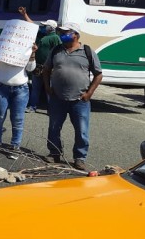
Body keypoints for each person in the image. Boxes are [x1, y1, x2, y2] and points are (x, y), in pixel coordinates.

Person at [43, 21, 103, 171]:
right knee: (54, 127)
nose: (63, 35)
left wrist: (89, 93)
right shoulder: (57, 50)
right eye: (62, 33)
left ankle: (80, 158)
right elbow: (46, 69)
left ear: (76, 34)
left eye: (66, 33)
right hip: (58, 98)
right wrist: (47, 87)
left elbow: (98, 74)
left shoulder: (88, 51)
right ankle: (54, 153)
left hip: (80, 100)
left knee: (82, 130)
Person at [0, 43, 37, 159]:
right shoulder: (1, 45)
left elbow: (30, 68)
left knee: (18, 119)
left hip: (21, 89)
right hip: (0, 86)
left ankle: (15, 146)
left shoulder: (26, 47)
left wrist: (33, 53)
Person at [18, 7, 61, 112]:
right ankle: (32, 107)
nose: (43, 27)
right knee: (35, 88)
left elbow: (58, 52)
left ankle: (51, 109)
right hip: (38, 67)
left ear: (51, 28)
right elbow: (32, 25)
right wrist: (25, 15)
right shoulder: (42, 34)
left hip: (48, 68)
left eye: (45, 26)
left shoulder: (55, 38)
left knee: (49, 89)